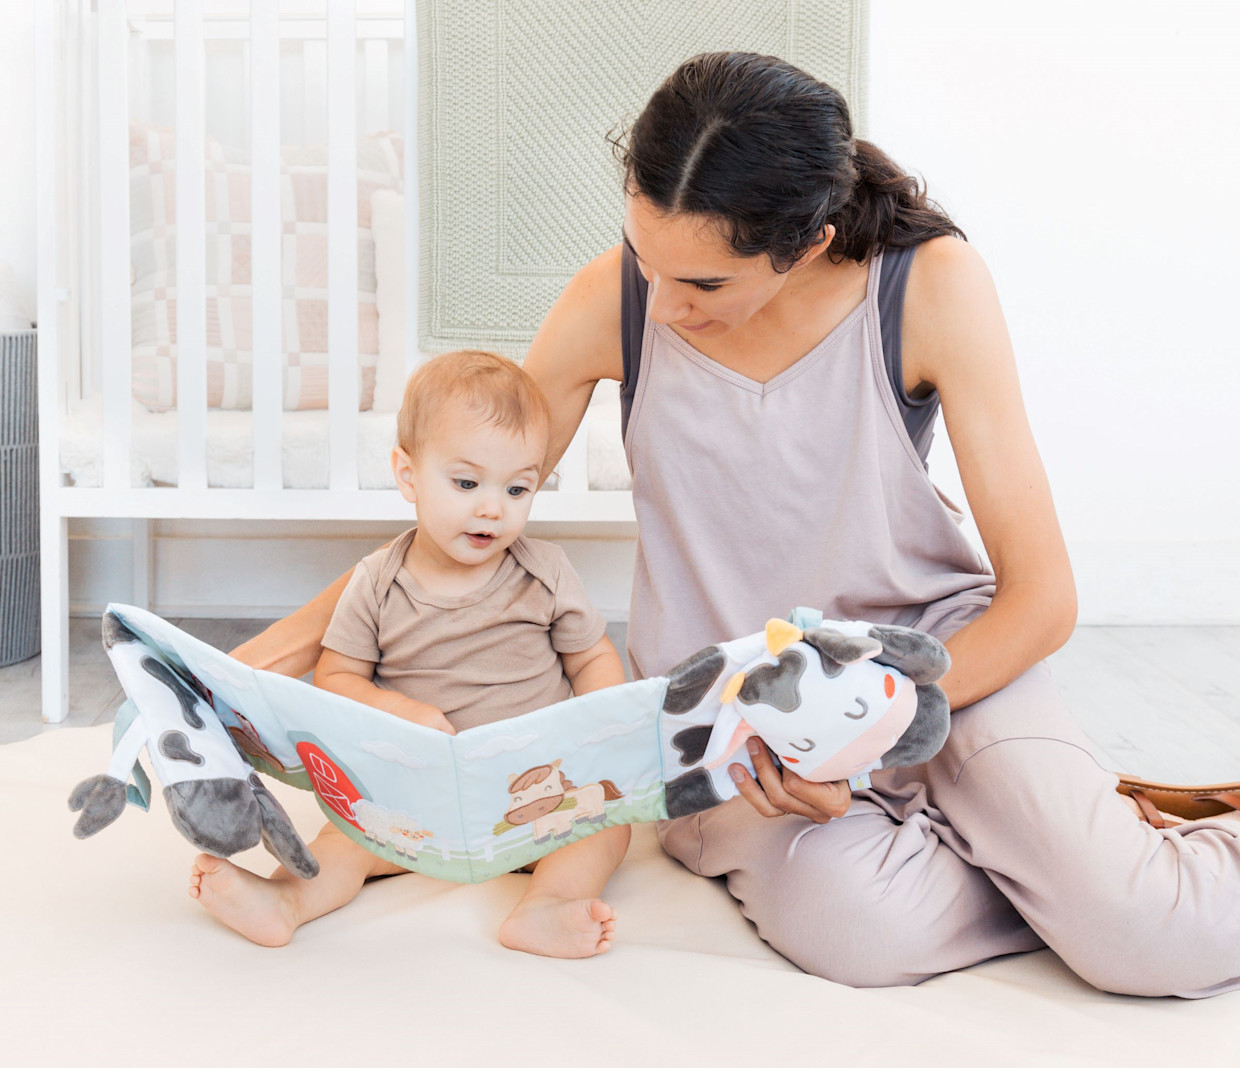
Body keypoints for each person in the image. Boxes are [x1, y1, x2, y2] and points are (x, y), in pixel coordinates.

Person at [232, 52, 1240, 997]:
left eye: (704, 282)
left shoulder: (926, 286)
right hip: (737, 728)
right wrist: (249, 673)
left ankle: (1100, 866)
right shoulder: (610, 303)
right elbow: (454, 514)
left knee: (1153, 937)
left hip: (941, 668)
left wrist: (861, 742)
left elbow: (1041, 599)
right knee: (860, 936)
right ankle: (1074, 852)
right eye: (645, 260)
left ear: (807, 241)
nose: (661, 306)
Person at [192, 351, 631, 958]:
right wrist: (395, 707)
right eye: (467, 483)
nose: (492, 507)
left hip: (533, 794)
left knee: (605, 827)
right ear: (408, 475)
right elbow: (337, 675)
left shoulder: (545, 572)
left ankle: (546, 906)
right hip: (412, 798)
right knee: (347, 836)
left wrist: (607, 723)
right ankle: (285, 900)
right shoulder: (376, 581)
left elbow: (592, 658)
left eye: (518, 487)